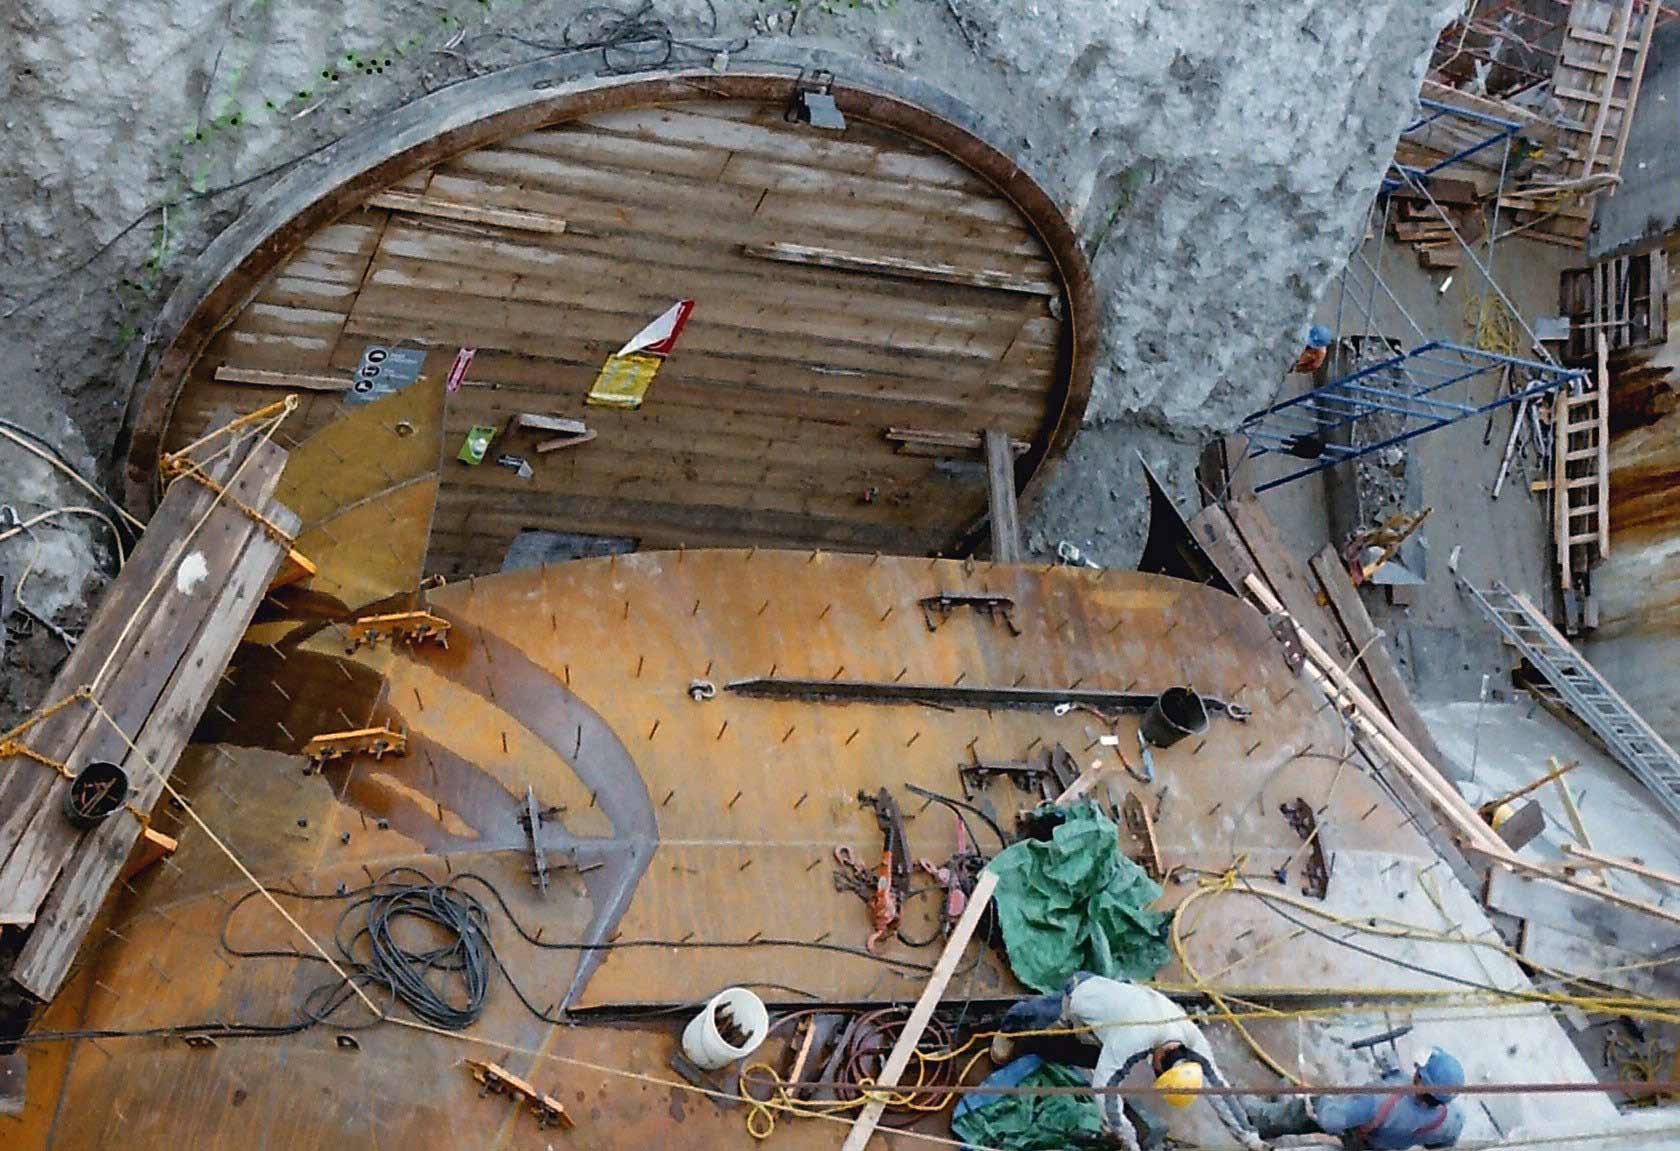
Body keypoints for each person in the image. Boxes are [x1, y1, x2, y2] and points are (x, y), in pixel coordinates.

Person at [992, 973, 1266, 1151]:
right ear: (1159, 1062)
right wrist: (1127, 1138)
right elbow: (1104, 1089)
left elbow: (1220, 1090)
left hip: (1112, 1021)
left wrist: (1251, 1139)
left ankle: (1051, 1047)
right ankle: (1008, 1028)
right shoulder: (1135, 1038)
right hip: (1081, 998)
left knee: (1082, 1055)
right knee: (1034, 1019)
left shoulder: (1191, 1039)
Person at [1245, 1047, 1465, 1149]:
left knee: (1310, 1109)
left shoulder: (1377, 1100)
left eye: (1419, 1071)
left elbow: (1330, 1120)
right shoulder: (1453, 1119)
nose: (1415, 1069)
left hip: (1359, 1136)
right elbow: (1441, 1144)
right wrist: (1395, 1074)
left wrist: (1321, 1101)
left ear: (1423, 1084)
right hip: (1383, 1147)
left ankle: (1260, 1121)